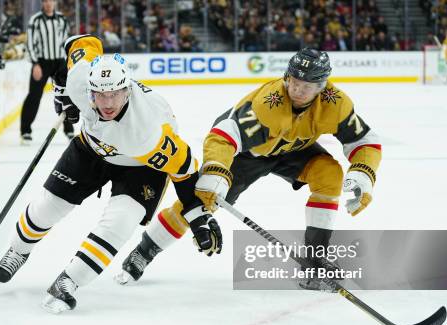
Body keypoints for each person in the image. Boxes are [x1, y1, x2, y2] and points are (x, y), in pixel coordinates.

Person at [115, 48, 383, 291]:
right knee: (199, 203)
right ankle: (144, 250)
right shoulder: (269, 103)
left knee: (330, 175)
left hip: (294, 150)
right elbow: (223, 134)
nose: (298, 90)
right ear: (287, 77)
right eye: (294, 82)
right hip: (248, 155)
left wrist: (363, 172)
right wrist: (216, 170)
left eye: (307, 86)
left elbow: (364, 141)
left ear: (322, 87)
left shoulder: (335, 104)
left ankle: (314, 260)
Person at [0, 34, 223, 313]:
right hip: (92, 148)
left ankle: (69, 281)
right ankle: (18, 250)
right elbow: (80, 41)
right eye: (100, 94)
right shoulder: (82, 81)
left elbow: (184, 169)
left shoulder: (147, 131)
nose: (107, 102)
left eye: (115, 93)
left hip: (142, 167)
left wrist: (197, 217)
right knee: (48, 206)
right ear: (89, 91)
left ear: (127, 90)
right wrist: (62, 86)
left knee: (121, 222)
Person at [21, 0, 72, 144]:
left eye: (51, 0)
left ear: (55, 2)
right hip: (42, 62)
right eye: (46, 0)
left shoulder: (62, 19)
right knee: (34, 96)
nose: (49, 3)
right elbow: (30, 43)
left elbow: (66, 41)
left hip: (60, 62)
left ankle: (69, 129)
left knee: (65, 95)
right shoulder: (35, 20)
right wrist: (35, 64)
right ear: (43, 3)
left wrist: (68, 62)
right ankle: (25, 131)